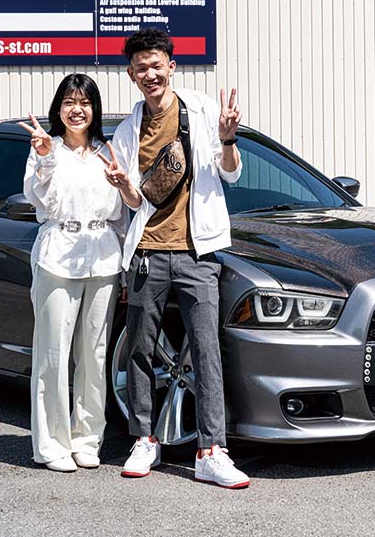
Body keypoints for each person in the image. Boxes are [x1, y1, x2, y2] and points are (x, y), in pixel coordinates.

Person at [107, 28, 249, 488]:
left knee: (206, 352)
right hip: (147, 253)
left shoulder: (202, 110)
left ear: (171, 65)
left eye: (156, 64)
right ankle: (145, 438)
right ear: (131, 75)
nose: (150, 73)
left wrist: (228, 140)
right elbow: (133, 203)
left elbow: (228, 174)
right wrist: (126, 189)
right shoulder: (129, 129)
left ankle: (212, 450)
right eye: (140, 67)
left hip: (197, 253)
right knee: (140, 351)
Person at [20, 73, 136, 472]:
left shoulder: (107, 150)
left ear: (94, 109)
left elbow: (121, 215)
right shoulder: (45, 149)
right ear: (58, 108)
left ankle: (88, 438)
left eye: (84, 102)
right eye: (69, 102)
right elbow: (42, 200)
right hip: (58, 255)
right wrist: (46, 157)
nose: (77, 109)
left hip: (102, 256)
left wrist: (122, 267)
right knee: (53, 355)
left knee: (95, 354)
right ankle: (52, 444)